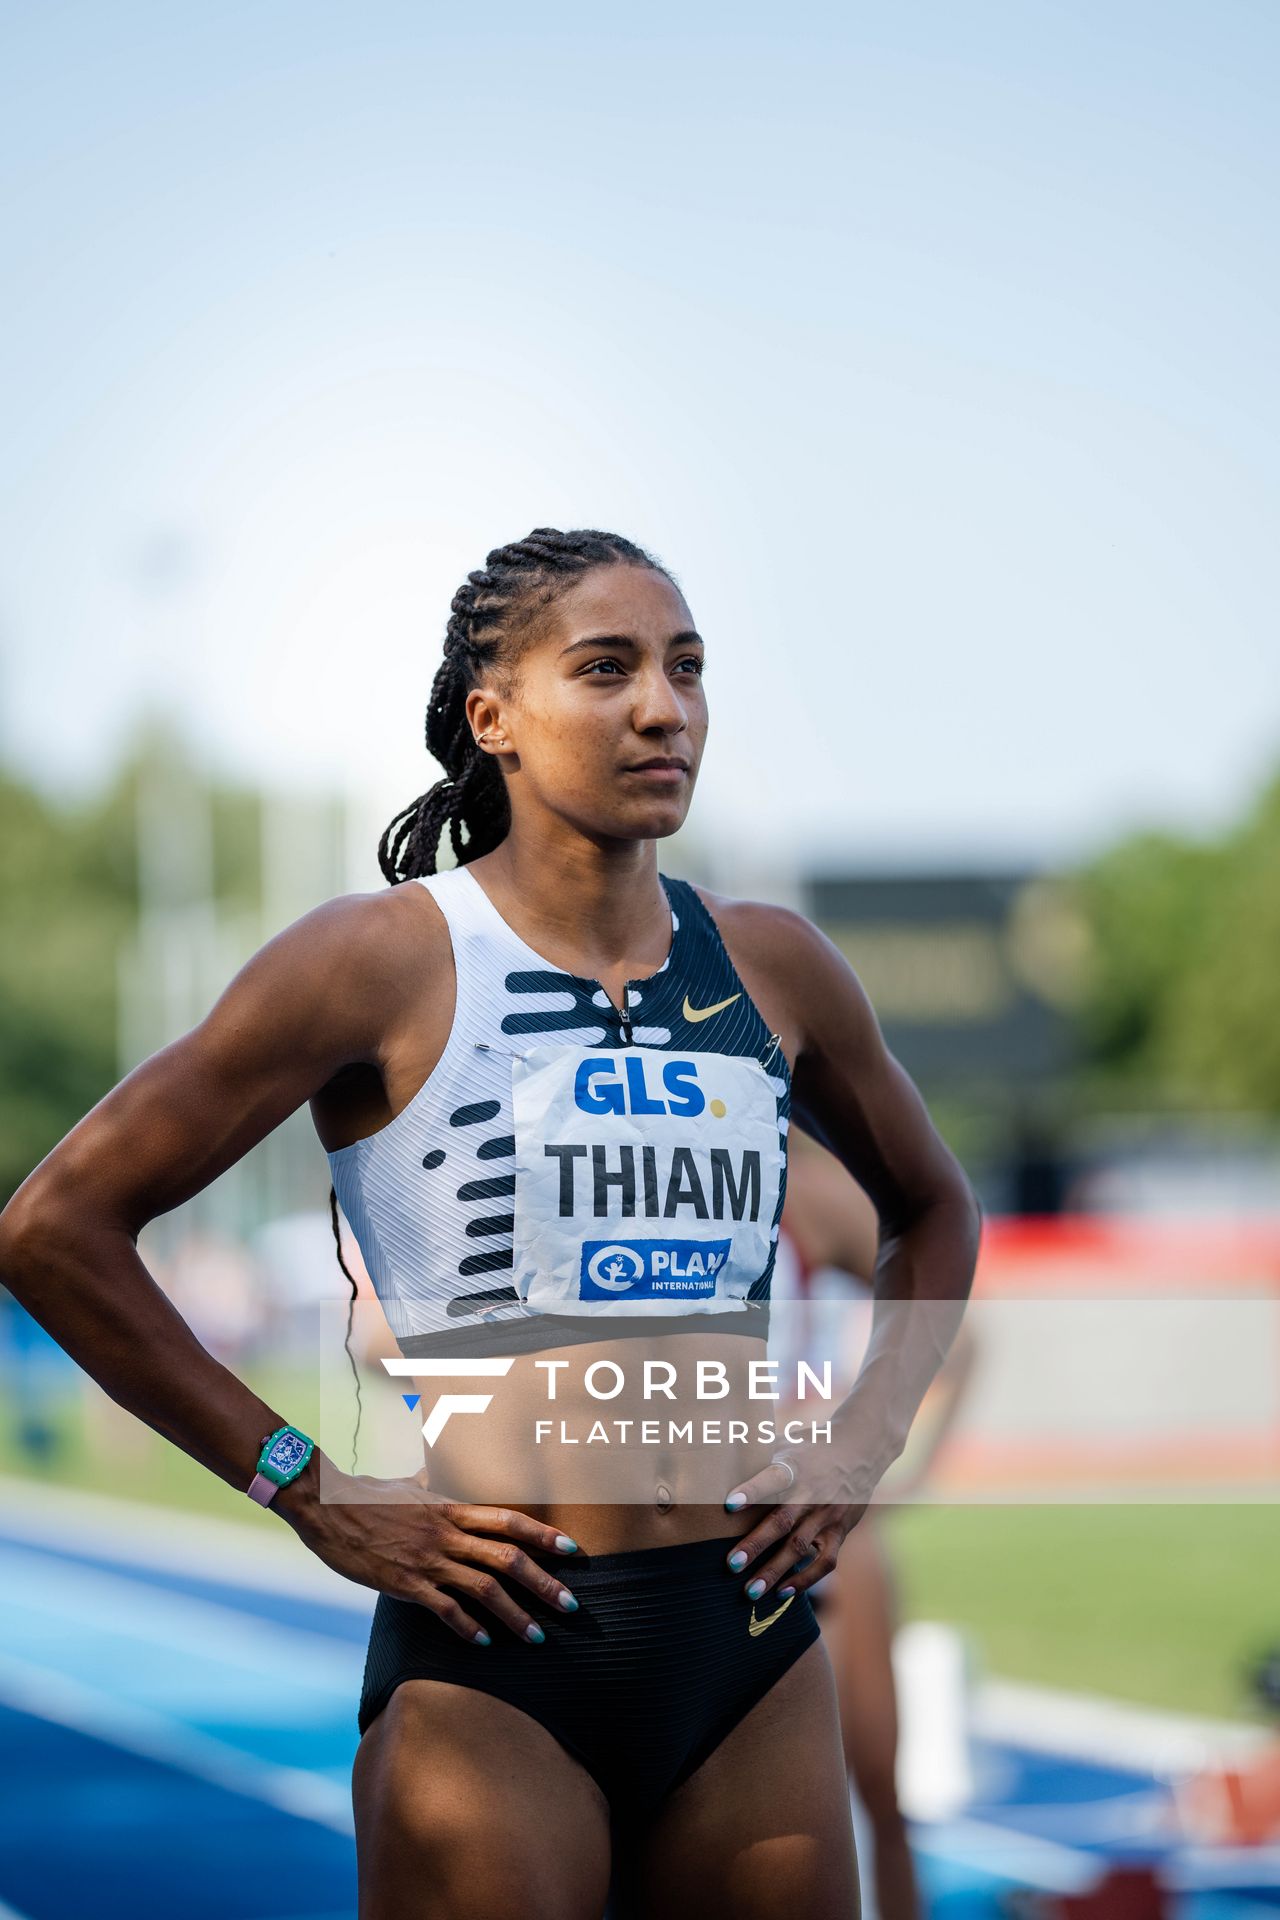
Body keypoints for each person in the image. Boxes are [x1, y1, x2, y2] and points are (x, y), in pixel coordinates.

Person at [0, 527, 982, 1920]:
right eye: (608, 668)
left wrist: (865, 1437)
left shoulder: (775, 967)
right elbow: (54, 1227)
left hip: (750, 1647)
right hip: (500, 1662)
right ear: (494, 717)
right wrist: (309, 1484)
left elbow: (934, 1209)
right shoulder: (379, 960)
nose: (665, 706)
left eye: (687, 669)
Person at [773, 1131, 979, 1920]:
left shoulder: (805, 1187)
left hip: (807, 1527)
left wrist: (887, 1456)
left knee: (872, 1793)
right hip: (676, 1526)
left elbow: (958, 1333)